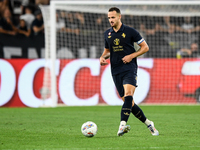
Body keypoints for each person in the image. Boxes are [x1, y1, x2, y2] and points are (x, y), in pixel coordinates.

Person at [99, 7, 159, 136]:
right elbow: (107, 51)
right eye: (109, 18)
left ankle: (122, 126)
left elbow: (145, 47)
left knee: (128, 95)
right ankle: (149, 123)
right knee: (129, 103)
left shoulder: (130, 31)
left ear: (119, 17)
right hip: (115, 70)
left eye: (113, 17)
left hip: (129, 68)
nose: (110, 20)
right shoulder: (107, 34)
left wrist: (132, 56)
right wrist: (102, 57)